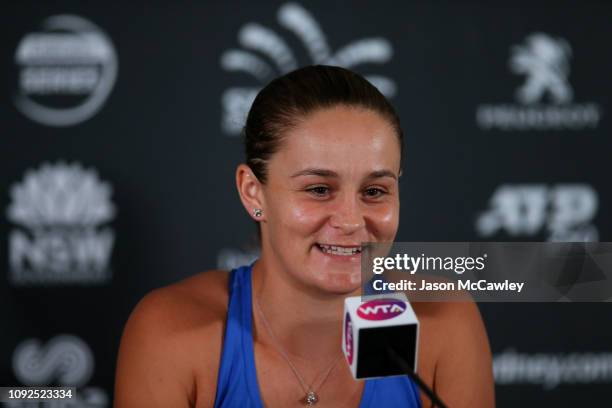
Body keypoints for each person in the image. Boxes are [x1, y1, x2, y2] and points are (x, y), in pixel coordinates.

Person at [114, 65, 495, 407]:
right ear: (252, 191)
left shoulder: (444, 324)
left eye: (374, 191)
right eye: (318, 189)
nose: (350, 220)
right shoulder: (172, 332)